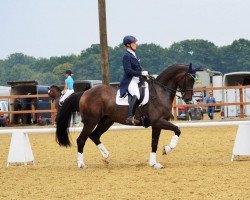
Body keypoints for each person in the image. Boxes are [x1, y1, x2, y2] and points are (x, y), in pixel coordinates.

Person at [119, 35, 149, 125]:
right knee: (136, 94)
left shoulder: (135, 54)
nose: (136, 44)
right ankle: (130, 116)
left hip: (138, 79)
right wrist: (140, 73)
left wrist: (144, 75)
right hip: (130, 80)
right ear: (128, 45)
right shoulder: (126, 56)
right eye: (134, 43)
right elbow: (128, 71)